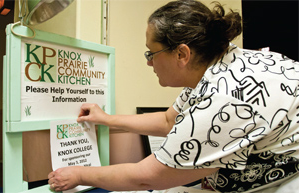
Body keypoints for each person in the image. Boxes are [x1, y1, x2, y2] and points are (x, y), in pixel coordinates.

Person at [48, 0, 299, 192]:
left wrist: (80, 175)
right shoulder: (217, 61)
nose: (149, 63)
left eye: (151, 53)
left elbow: (148, 176)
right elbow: (169, 121)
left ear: (182, 54)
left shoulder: (225, 97)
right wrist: (107, 119)